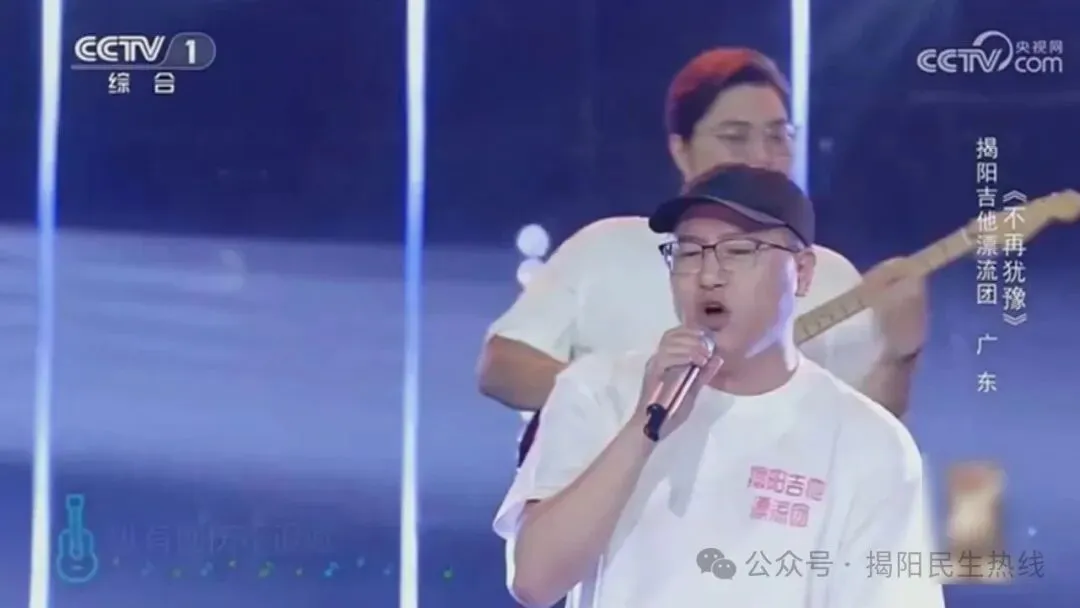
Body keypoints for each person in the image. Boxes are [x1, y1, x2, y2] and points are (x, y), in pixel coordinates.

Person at [494, 164, 944, 608]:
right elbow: (534, 582)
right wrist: (643, 428)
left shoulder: (868, 441)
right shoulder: (596, 389)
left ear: (803, 272)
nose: (709, 275)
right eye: (689, 253)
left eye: (740, 251)